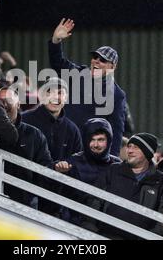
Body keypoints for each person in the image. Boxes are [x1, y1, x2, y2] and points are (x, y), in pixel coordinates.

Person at [49, 18, 127, 157]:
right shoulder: (79, 73)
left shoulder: (116, 94)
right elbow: (58, 63)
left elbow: (116, 130)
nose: (96, 61)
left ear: (112, 67)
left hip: (85, 151)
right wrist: (56, 41)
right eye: (95, 57)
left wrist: (113, 160)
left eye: (102, 60)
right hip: (60, 140)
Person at [83, 132, 163, 239]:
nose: (130, 151)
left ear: (147, 152)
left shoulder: (160, 180)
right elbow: (94, 199)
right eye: (129, 146)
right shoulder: (113, 170)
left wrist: (150, 237)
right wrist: (91, 229)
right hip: (105, 236)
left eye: (136, 147)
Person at [22, 77, 83, 215]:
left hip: (57, 202)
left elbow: (77, 163)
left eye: (60, 93)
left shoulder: (72, 130)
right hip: (25, 194)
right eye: (49, 91)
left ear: (66, 98)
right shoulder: (25, 120)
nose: (55, 97)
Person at [0, 85, 55, 208]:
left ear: (18, 105)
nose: (4, 104)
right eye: (0, 101)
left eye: (8, 100)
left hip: (24, 203)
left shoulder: (34, 135)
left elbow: (45, 168)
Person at [55, 118, 121, 223]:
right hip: (76, 224)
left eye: (100, 140)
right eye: (92, 140)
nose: (96, 145)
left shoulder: (118, 165)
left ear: (109, 140)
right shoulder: (72, 163)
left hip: (109, 226)